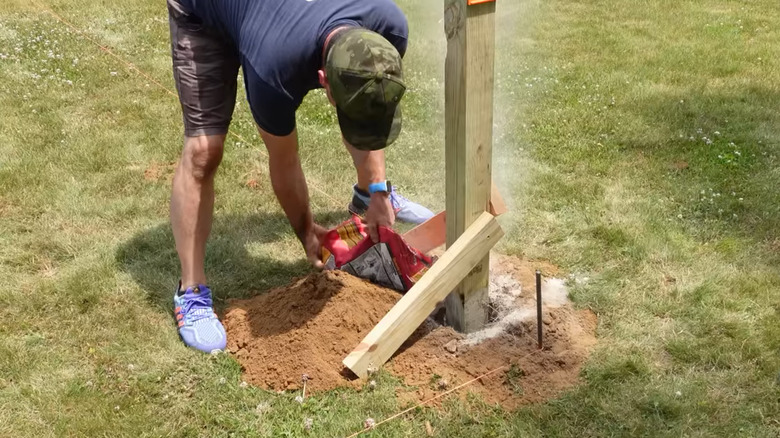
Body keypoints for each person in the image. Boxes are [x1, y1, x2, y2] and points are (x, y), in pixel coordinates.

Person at [166, 0, 434, 353]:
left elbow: (372, 105)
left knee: (359, 103)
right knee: (204, 151)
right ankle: (191, 292)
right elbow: (284, 162)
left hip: (273, 19)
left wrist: (378, 190)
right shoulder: (273, 70)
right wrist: (308, 234)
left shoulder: (389, 27)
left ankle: (365, 197)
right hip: (204, 13)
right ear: (322, 80)